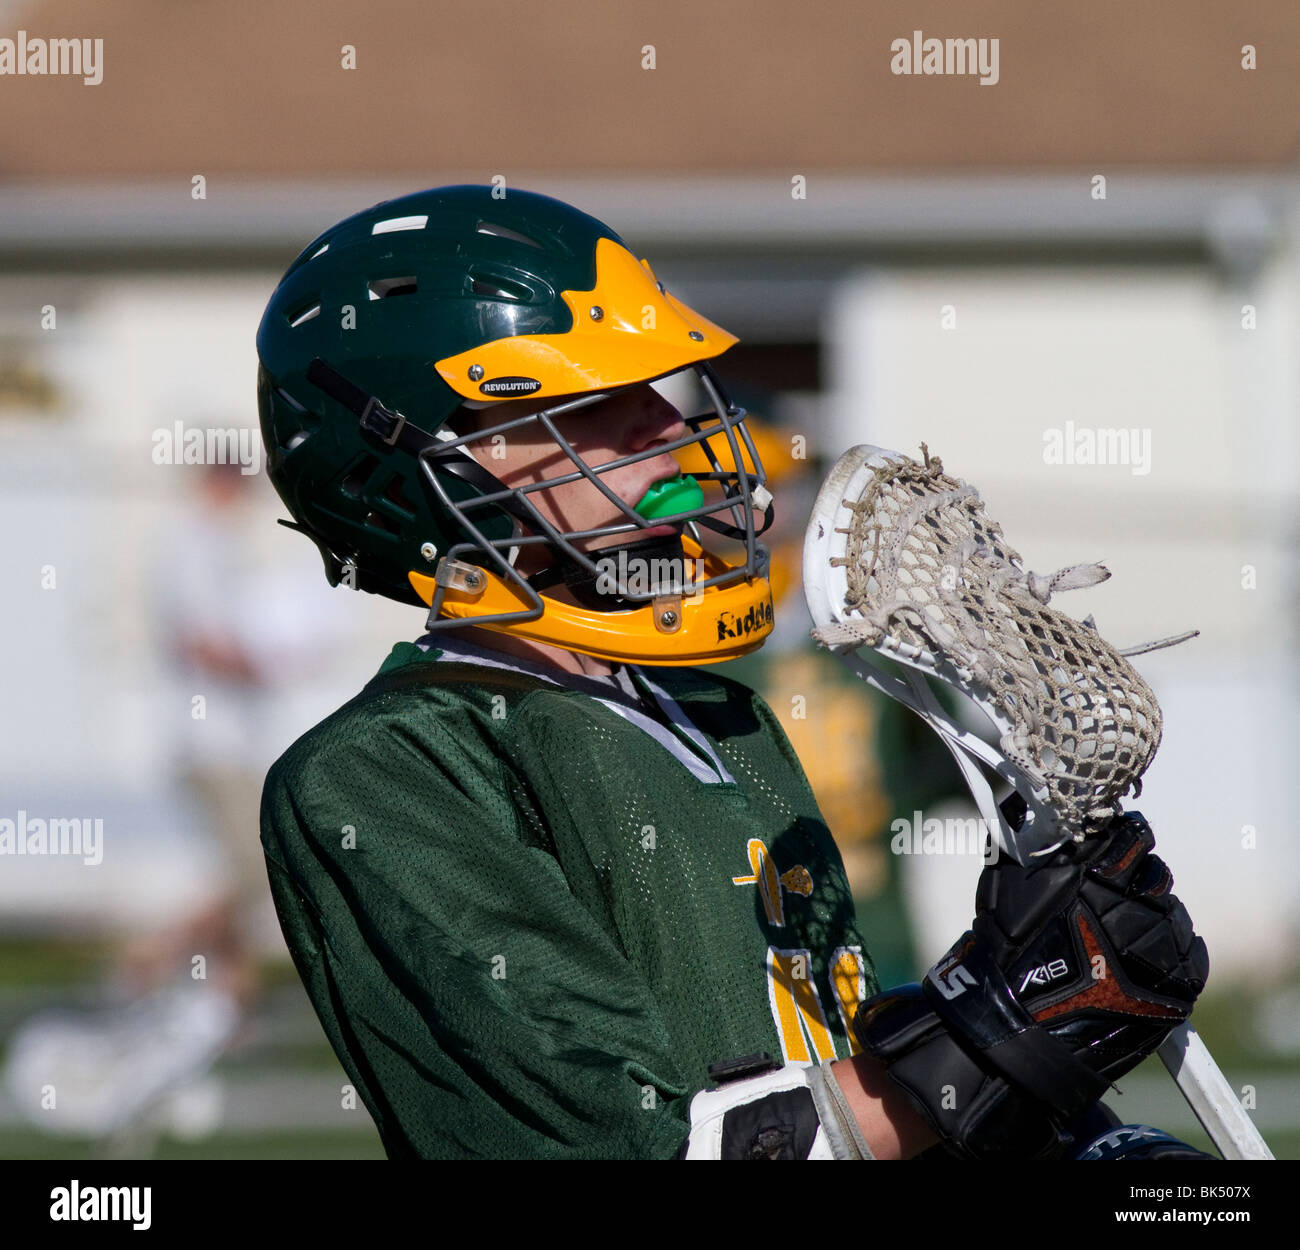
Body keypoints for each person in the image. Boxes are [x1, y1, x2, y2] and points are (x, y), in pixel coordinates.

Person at [255, 185, 1210, 1160]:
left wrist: (1044, 1106)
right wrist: (999, 1040)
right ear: (425, 465)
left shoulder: (723, 713)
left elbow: (810, 1063)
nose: (660, 425)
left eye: (654, 385)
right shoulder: (388, 770)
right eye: (587, 400)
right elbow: (635, 1147)